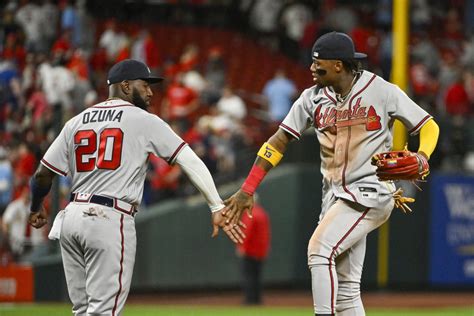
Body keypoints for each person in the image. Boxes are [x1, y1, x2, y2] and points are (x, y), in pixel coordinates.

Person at [223, 32, 440, 315]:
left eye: (318, 63)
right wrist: (247, 188)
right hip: (335, 198)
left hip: (370, 192)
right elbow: (278, 141)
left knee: (319, 249)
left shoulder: (381, 90)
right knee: (347, 293)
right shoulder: (311, 99)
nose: (312, 68)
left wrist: (422, 156)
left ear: (338, 65)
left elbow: (428, 126)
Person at [27, 59, 245, 316]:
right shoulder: (142, 119)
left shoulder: (77, 121)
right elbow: (188, 159)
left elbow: (42, 175)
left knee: (82, 311)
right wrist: (216, 205)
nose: (151, 92)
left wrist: (36, 205)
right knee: (102, 312)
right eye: (146, 85)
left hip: (72, 219)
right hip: (108, 218)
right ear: (126, 86)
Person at [236, 199, 270, 305]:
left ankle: (250, 300)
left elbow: (246, 231)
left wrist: (242, 247)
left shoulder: (251, 214)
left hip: (250, 250)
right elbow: (266, 234)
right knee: (257, 276)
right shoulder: (262, 213)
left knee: (249, 276)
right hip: (260, 251)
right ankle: (257, 300)